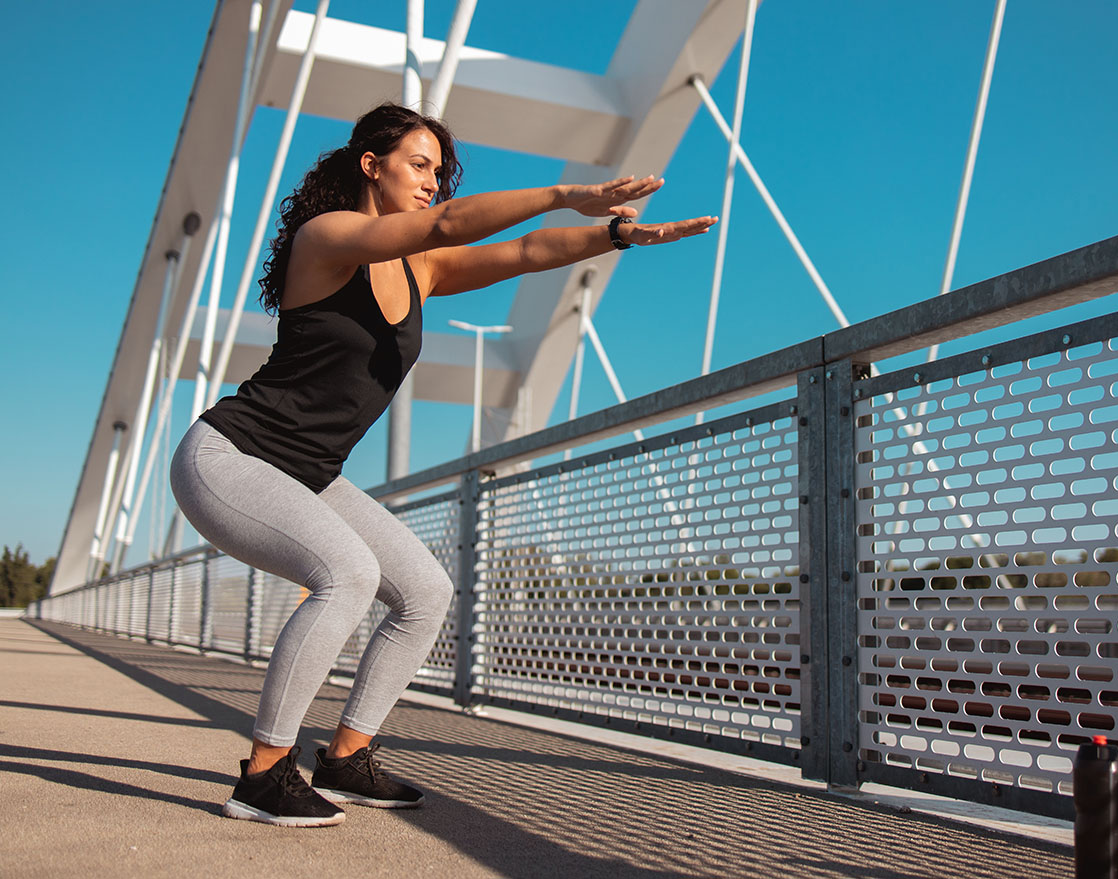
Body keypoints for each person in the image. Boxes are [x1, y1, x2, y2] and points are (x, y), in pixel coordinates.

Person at [170, 102, 716, 828]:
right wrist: (563, 191)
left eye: (439, 171)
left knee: (426, 589)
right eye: (419, 166)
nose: (433, 182)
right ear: (372, 165)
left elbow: (524, 255)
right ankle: (265, 774)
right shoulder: (327, 238)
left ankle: (346, 757)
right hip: (231, 455)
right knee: (348, 573)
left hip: (309, 472)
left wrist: (612, 234)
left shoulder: (417, 269)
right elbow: (448, 224)